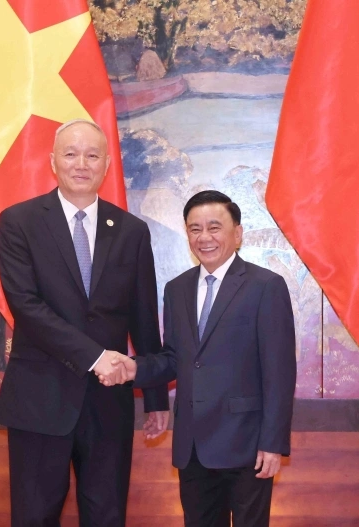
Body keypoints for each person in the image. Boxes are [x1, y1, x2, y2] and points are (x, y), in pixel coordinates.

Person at [0, 119, 170, 527]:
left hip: (108, 404)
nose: (81, 164)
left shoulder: (131, 231)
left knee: (107, 516)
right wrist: (95, 356)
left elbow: (143, 316)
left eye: (92, 155)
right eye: (71, 154)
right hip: (40, 398)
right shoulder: (19, 222)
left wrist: (156, 396)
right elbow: (26, 306)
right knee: (35, 517)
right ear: (52, 161)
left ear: (106, 165)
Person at [104, 190, 297, 527]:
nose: (204, 237)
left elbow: (279, 372)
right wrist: (135, 368)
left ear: (237, 233)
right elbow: (175, 358)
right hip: (192, 446)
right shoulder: (176, 289)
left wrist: (273, 443)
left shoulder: (266, 286)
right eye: (195, 229)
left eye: (214, 227)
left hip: (247, 444)